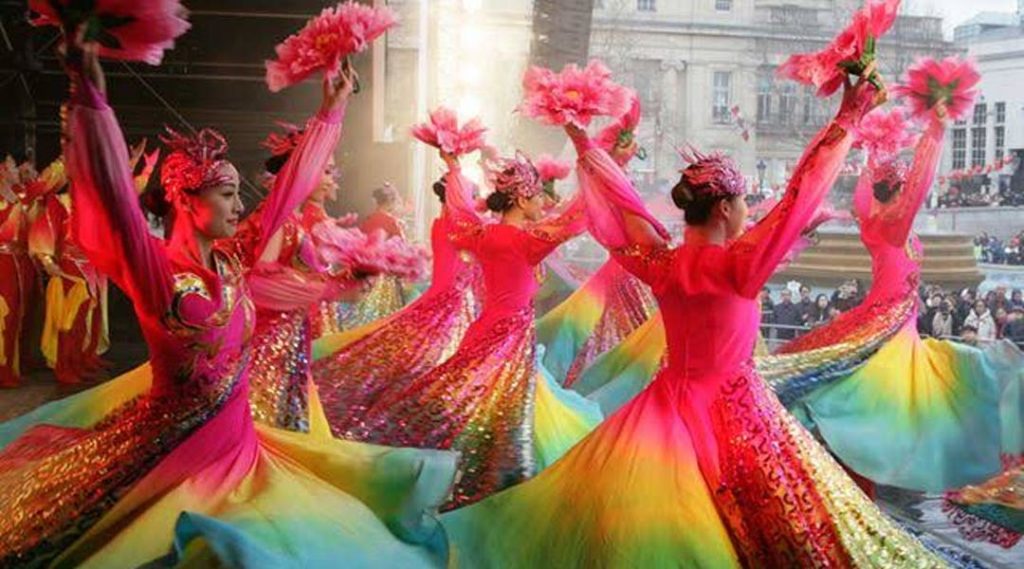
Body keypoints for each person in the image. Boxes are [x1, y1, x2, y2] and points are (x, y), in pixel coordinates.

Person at [441, 67, 949, 567]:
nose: (749, 211)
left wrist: (583, 143)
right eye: (744, 202)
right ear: (725, 208)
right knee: (792, 528)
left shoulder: (663, 263)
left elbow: (619, 209)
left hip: (663, 413)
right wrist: (848, 116)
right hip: (735, 416)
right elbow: (801, 192)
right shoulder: (739, 266)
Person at [0, 45, 456, 567]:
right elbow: (116, 201)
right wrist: (90, 95)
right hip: (176, 465)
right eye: (226, 194)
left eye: (239, 194)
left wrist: (332, 109)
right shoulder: (157, 273)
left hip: (243, 454)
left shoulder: (234, 261)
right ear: (185, 200)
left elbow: (287, 192)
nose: (241, 206)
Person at [336, 148, 601, 511]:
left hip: (489, 330)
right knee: (491, 415)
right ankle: (485, 488)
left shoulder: (484, 234)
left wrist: (454, 168)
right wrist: (597, 167)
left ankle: (469, 477)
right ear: (522, 199)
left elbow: (460, 212)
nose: (543, 202)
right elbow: (573, 219)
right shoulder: (525, 242)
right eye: (538, 195)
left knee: (470, 406)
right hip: (506, 341)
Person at [311, 175, 484, 437]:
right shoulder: (449, 226)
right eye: (472, 197)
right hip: (431, 297)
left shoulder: (432, 223)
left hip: (402, 284)